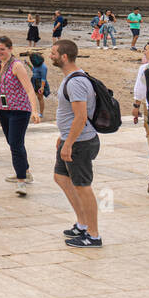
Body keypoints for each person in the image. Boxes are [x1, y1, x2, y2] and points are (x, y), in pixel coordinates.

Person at [48, 40, 102, 248]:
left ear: (64, 57)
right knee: (61, 177)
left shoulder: (76, 82)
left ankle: (94, 235)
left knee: (82, 186)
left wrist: (69, 142)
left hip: (80, 142)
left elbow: (80, 117)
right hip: (71, 139)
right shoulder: (71, 78)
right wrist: (63, 137)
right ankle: (82, 224)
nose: (50, 55)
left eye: (53, 53)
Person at [0, 35, 42, 196]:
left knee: (16, 145)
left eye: (2, 49)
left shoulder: (17, 66)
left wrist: (34, 110)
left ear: (10, 49)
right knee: (12, 142)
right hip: (4, 109)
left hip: (20, 109)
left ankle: (21, 181)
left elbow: (30, 89)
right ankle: (25, 171)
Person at [133, 41, 149, 194]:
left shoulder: (147, 70)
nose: (144, 52)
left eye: (146, 50)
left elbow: (142, 91)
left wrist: (136, 106)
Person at [29, 51, 50, 117]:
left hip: (39, 83)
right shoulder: (36, 65)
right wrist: (28, 64)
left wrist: (42, 87)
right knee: (32, 96)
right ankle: (33, 111)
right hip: (34, 81)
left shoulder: (44, 67)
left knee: (40, 98)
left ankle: (41, 113)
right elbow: (34, 70)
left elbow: (43, 78)